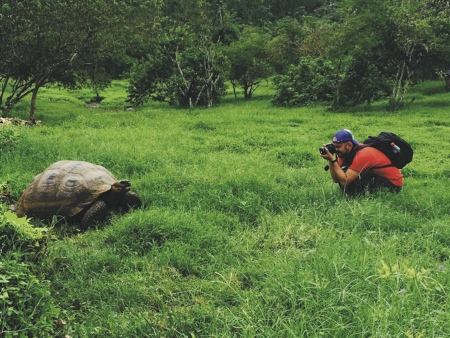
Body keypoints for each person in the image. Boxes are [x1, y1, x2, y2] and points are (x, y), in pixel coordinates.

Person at [320, 129, 403, 195]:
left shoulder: (362, 155)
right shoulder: (344, 152)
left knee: (351, 186)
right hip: (377, 176)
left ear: (349, 145)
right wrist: (331, 160)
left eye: (338, 147)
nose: (336, 150)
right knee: (349, 185)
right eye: (334, 147)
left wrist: (333, 160)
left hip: (393, 183)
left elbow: (344, 181)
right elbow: (336, 179)